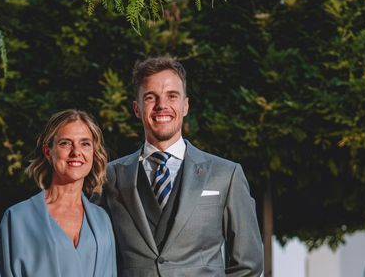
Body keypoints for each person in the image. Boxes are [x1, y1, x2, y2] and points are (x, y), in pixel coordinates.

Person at [101, 56, 263, 276]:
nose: (162, 106)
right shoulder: (110, 176)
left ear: (185, 105)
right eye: (150, 97)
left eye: (172, 96)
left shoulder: (227, 175)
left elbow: (248, 265)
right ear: (137, 108)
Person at [0, 109, 117, 277]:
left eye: (85, 143)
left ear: (93, 152)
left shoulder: (103, 220)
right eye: (65, 143)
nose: (76, 152)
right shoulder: (17, 218)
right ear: (48, 152)